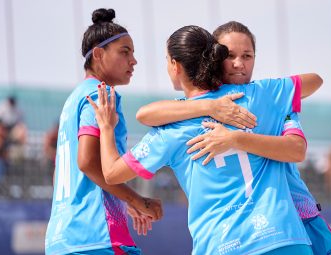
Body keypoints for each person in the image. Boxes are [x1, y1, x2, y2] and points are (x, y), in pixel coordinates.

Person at [89, 25, 314, 255]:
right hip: (284, 239)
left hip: (224, 246)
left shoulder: (171, 130)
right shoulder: (254, 95)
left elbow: (112, 173)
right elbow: (313, 82)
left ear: (175, 65)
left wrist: (107, 128)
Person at [135, 21, 331, 254]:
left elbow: (296, 149)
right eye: (229, 55)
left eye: (247, 56)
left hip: (298, 219)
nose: (238, 64)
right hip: (245, 235)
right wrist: (210, 106)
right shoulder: (199, 107)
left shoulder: (271, 99)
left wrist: (234, 138)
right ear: (212, 57)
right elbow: (145, 114)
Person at [45, 9, 162, 255]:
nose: (134, 61)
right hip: (96, 236)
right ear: (98, 54)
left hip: (62, 238)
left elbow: (62, 174)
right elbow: (87, 162)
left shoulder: (73, 100)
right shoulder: (100, 94)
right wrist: (135, 199)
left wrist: (122, 198)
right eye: (125, 52)